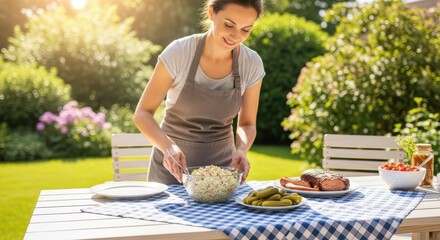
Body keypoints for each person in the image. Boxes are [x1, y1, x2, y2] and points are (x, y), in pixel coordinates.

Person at [134, 0, 265, 185]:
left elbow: (247, 124)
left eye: (246, 29)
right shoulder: (179, 52)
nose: (236, 36)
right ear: (212, 13)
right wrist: (168, 147)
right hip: (171, 170)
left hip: (221, 175)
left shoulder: (251, 63)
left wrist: (242, 149)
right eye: (229, 25)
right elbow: (142, 114)